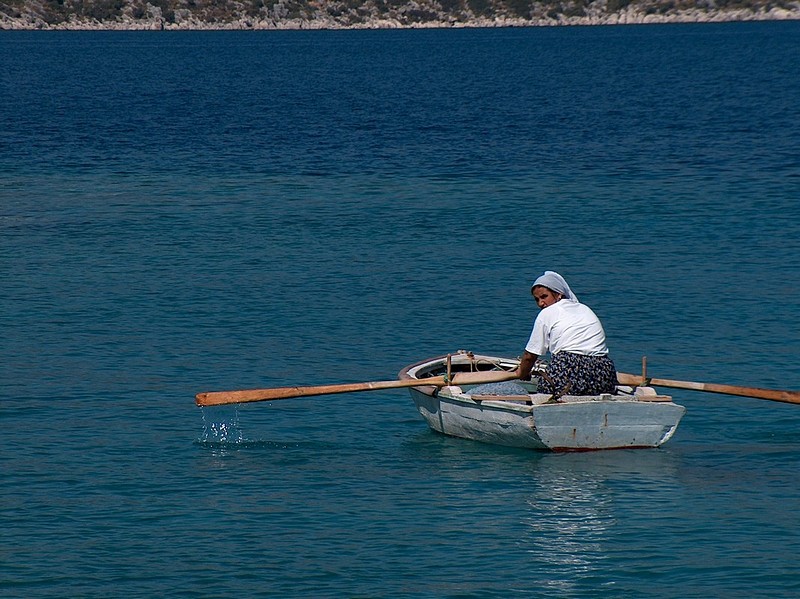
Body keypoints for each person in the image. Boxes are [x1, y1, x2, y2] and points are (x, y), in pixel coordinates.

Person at [516, 271, 617, 397]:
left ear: (558, 294)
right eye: (537, 299)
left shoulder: (547, 313)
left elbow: (530, 356)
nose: (541, 303)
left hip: (568, 369)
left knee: (544, 388)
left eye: (544, 297)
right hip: (604, 373)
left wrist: (521, 373)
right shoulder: (584, 308)